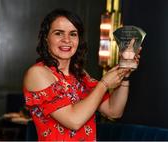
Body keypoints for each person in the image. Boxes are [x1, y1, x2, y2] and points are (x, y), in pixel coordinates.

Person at [23, 8, 141, 141]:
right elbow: (74, 121)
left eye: (73, 34)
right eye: (59, 33)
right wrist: (104, 84)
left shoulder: (80, 74)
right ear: (46, 38)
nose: (66, 40)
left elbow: (114, 111)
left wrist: (125, 72)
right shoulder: (37, 73)